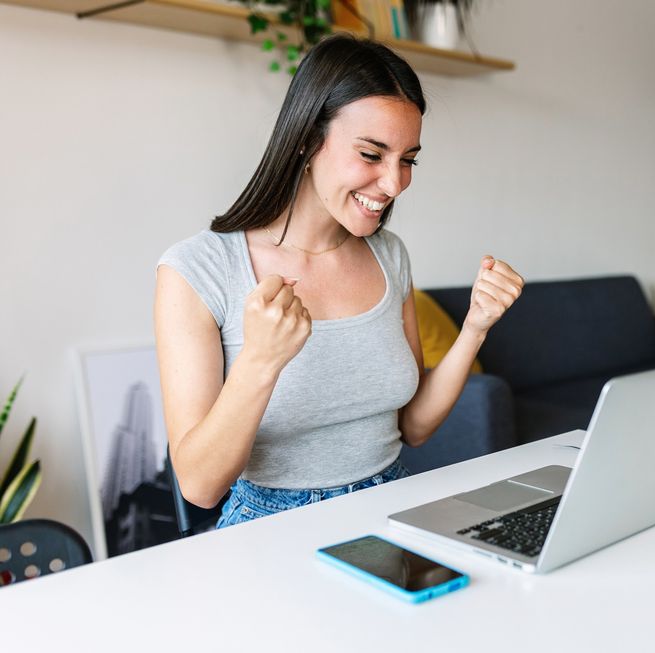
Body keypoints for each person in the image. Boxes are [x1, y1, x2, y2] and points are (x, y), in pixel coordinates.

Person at [154, 35, 524, 528]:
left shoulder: (388, 254)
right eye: (372, 154)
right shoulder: (197, 270)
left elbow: (412, 427)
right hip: (268, 525)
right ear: (307, 138)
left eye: (408, 159)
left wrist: (475, 327)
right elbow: (199, 487)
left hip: (392, 505)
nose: (394, 184)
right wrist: (261, 361)